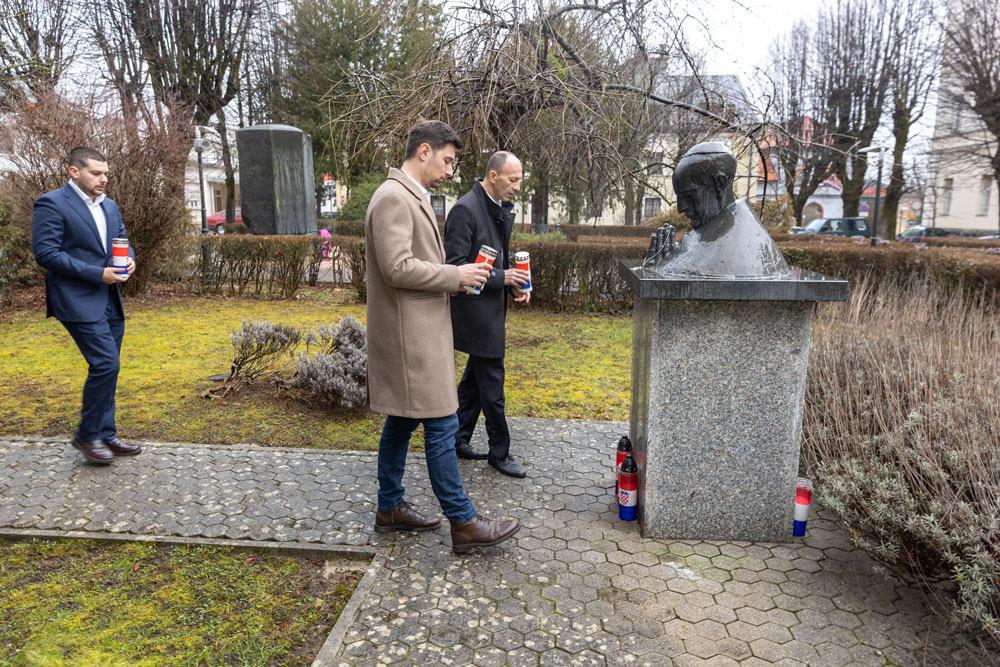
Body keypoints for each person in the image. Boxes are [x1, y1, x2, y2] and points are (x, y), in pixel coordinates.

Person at [364, 121, 521, 554]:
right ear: (424, 152)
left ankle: (390, 507)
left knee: (401, 421)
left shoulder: (406, 195)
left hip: (416, 331)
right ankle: (463, 521)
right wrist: (456, 275)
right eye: (448, 161)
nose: (451, 171)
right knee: (443, 423)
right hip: (410, 336)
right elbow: (397, 267)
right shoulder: (393, 197)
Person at [31, 147, 140, 465]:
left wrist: (129, 259)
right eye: (96, 173)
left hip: (110, 297)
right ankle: (87, 435)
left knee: (109, 367)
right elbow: (46, 254)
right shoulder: (52, 203)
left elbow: (121, 239)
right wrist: (97, 274)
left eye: (106, 173)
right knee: (106, 364)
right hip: (75, 298)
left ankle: (106, 434)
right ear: (74, 171)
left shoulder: (110, 206)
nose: (103, 179)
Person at [443, 151, 530, 478]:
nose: (518, 186)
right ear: (493, 176)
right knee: (492, 388)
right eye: (513, 179)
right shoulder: (465, 210)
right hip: (475, 317)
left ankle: (456, 438)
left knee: (473, 383)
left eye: (520, 180)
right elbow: (455, 268)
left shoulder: (496, 206)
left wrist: (513, 284)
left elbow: (497, 260)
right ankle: (499, 452)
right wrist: (502, 278)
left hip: (490, 311)